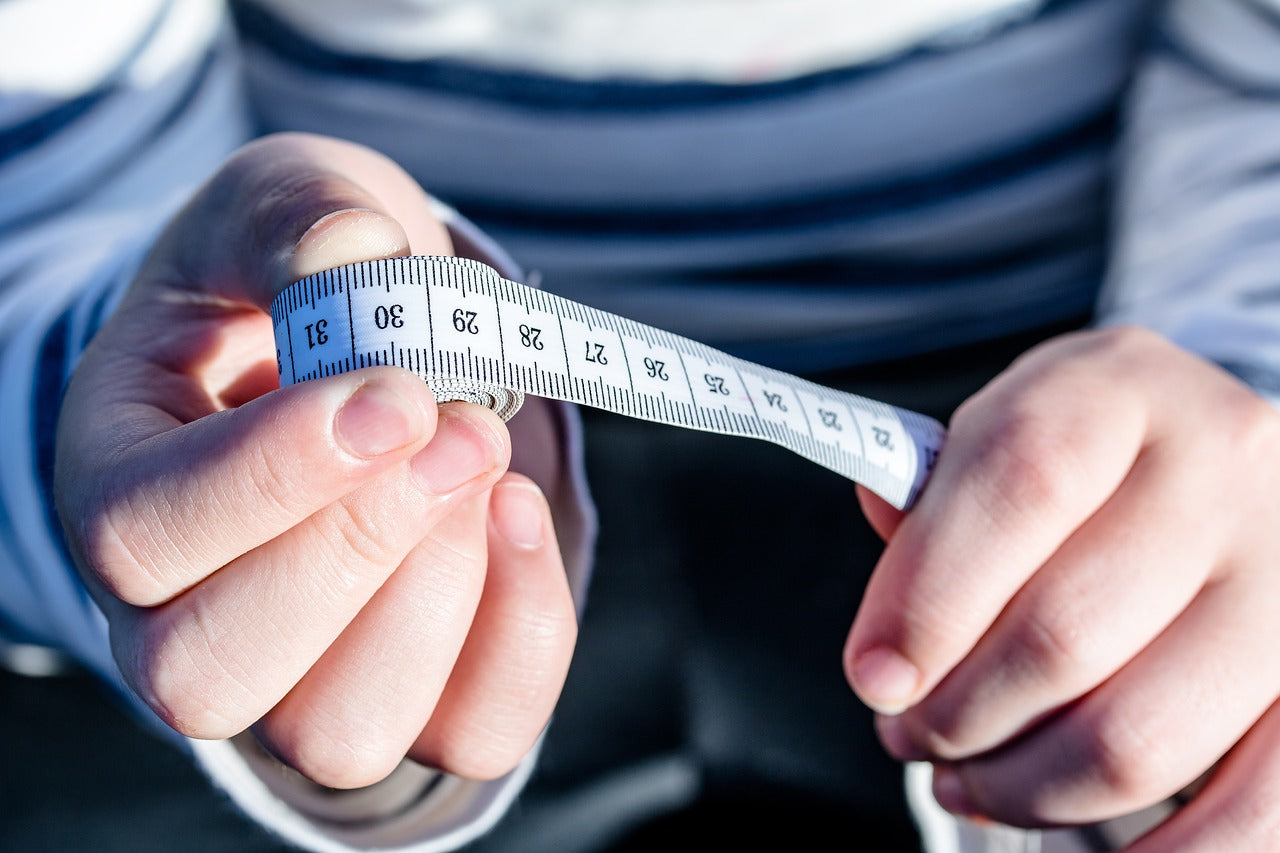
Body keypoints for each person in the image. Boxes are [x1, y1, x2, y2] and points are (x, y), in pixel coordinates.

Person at [3, 0, 1280, 851]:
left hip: (1121, 408)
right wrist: (141, 469)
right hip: (362, 403)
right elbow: (35, 180)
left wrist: (1247, 384)